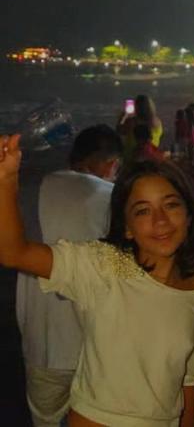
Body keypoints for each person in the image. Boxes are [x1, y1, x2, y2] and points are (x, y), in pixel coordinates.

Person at [0, 146, 194, 427]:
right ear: (127, 227)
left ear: (189, 214)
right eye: (142, 211)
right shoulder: (102, 267)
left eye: (171, 204)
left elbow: (188, 380)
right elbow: (14, 253)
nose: (160, 220)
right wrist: (6, 181)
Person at [16, 125, 122, 427]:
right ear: (111, 164)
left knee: (45, 420)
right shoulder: (113, 197)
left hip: (42, 340)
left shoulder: (32, 188)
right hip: (95, 345)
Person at [118, 94, 163, 162]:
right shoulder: (157, 122)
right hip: (151, 158)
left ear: (136, 107)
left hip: (131, 160)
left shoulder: (132, 122)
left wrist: (122, 117)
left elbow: (119, 130)